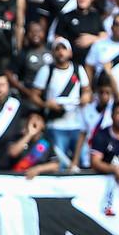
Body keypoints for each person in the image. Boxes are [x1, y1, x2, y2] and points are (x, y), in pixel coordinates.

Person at [31, 37, 92, 168]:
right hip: (55, 124)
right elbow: (34, 95)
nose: (60, 52)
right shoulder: (46, 70)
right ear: (53, 53)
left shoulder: (78, 69)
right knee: (60, 163)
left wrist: (85, 98)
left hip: (76, 123)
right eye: (57, 49)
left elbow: (87, 90)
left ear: (70, 52)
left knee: (83, 161)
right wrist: (46, 104)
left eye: (64, 48)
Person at [8, 110, 60, 178]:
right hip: (16, 178)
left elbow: (55, 165)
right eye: (31, 118)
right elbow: (13, 153)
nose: (34, 121)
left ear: (43, 125)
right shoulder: (17, 138)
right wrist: (29, 134)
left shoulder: (46, 142)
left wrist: (38, 169)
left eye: (38, 119)